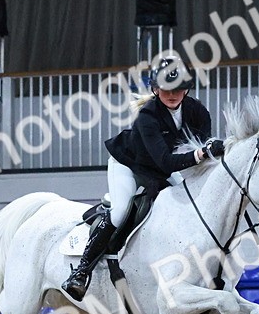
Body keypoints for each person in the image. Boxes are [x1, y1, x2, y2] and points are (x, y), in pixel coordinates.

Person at [61, 56, 222, 300]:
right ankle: (82, 271)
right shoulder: (148, 116)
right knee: (120, 211)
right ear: (156, 89)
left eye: (178, 88)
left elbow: (203, 149)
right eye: (166, 89)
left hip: (162, 170)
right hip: (129, 165)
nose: (172, 94)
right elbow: (168, 161)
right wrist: (201, 153)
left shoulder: (197, 112)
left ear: (187, 89)